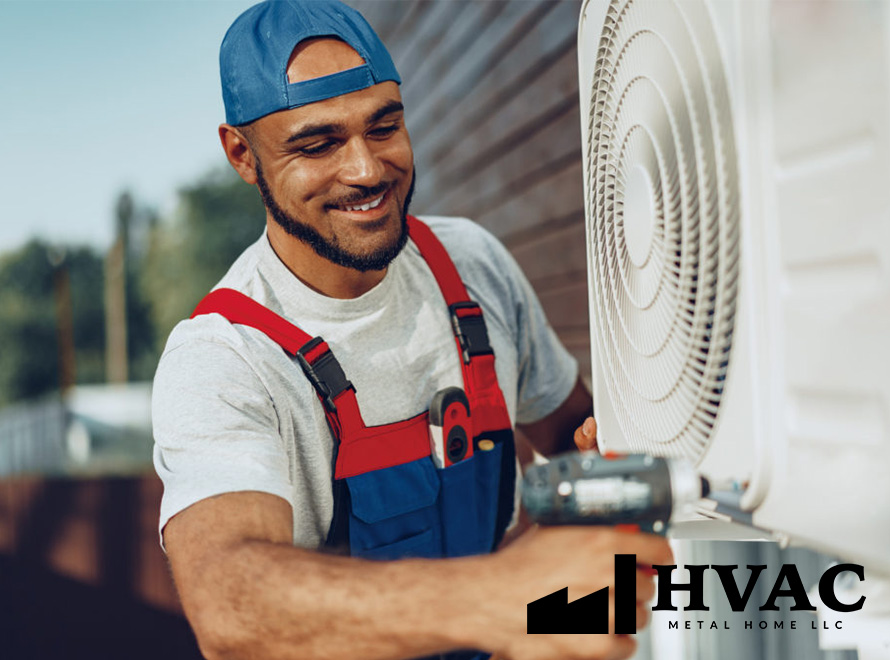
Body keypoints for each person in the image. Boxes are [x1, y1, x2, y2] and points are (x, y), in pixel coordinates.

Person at [152, 1, 672, 659]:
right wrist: (498, 597)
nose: (367, 169)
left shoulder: (472, 266)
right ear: (242, 155)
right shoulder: (224, 357)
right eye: (317, 144)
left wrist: (598, 494)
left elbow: (578, 443)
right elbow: (229, 605)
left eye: (385, 126)